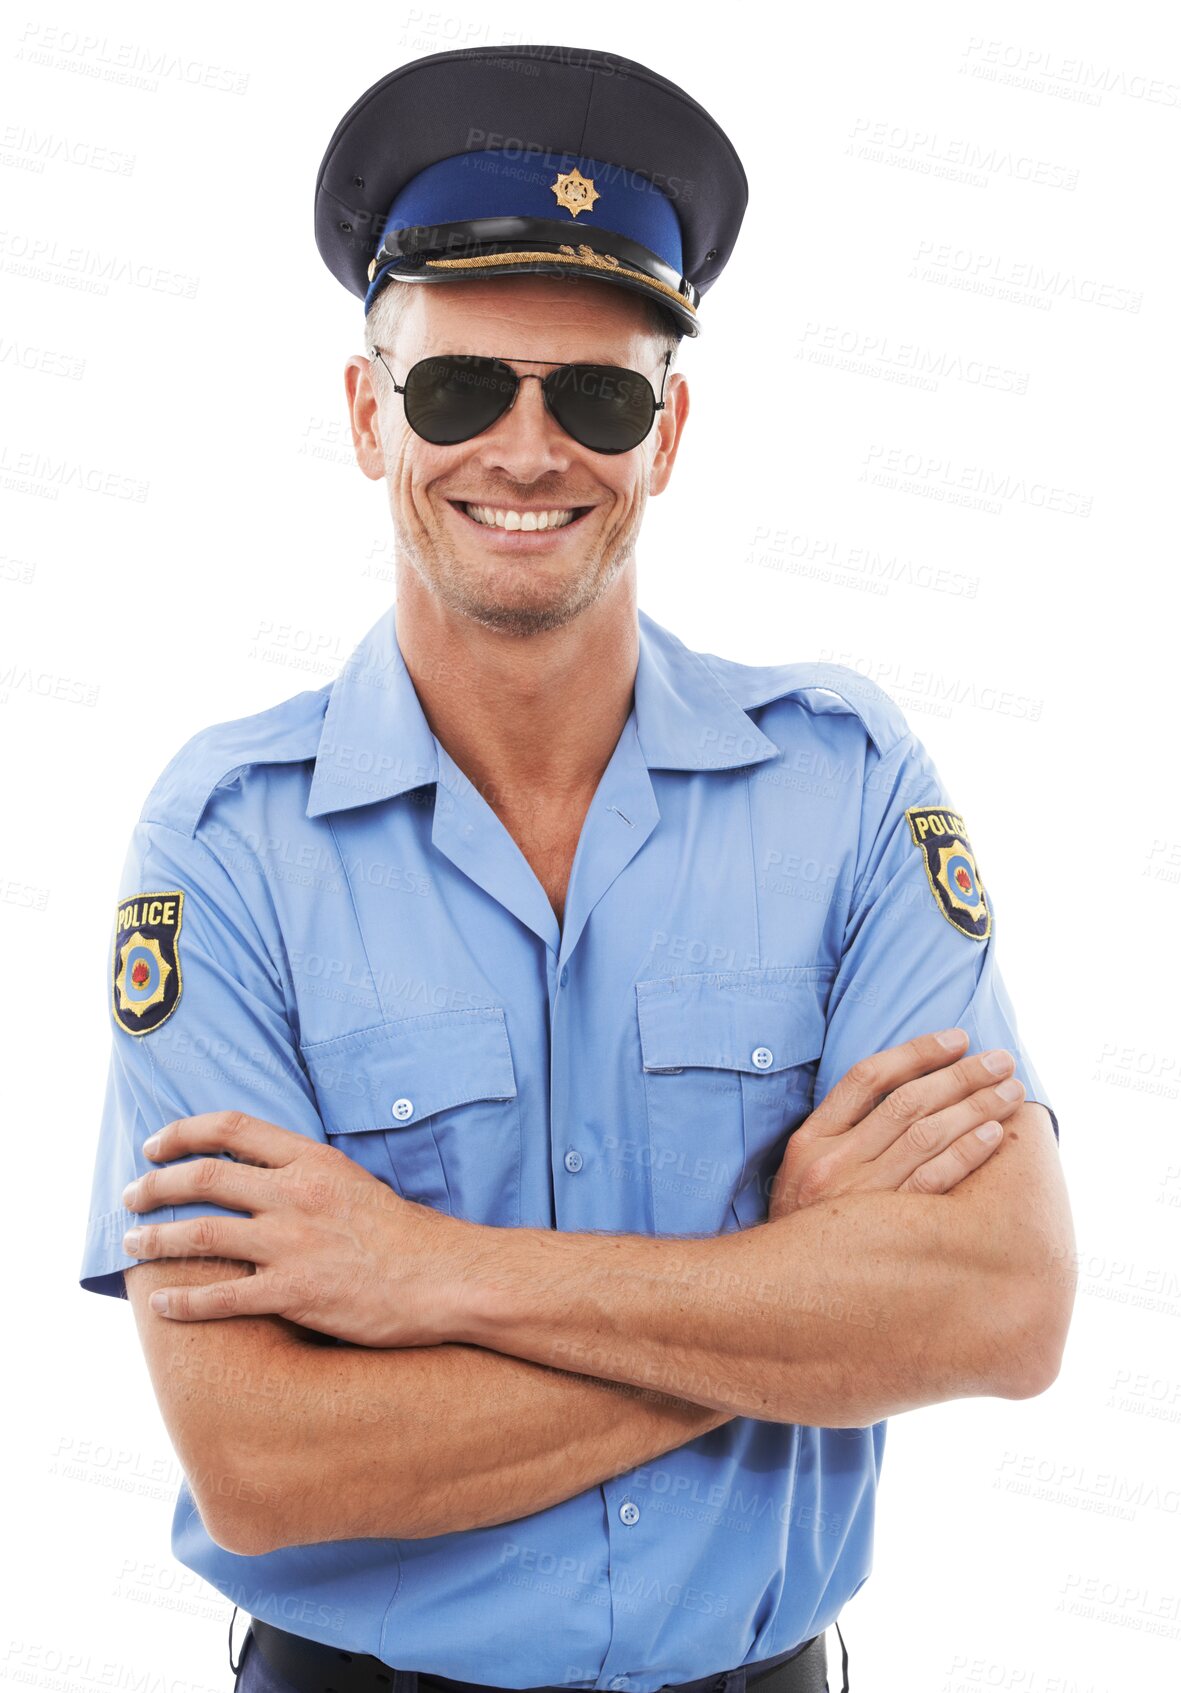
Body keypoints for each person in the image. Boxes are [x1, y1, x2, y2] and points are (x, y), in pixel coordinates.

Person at [79, 44, 1076, 1693]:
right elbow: (264, 1458)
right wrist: (792, 1290)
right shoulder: (224, 843)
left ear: (667, 430)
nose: (527, 452)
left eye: (595, 394)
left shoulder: (844, 785)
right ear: (365, 412)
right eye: (461, 387)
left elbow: (1002, 1305)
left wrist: (424, 1275)